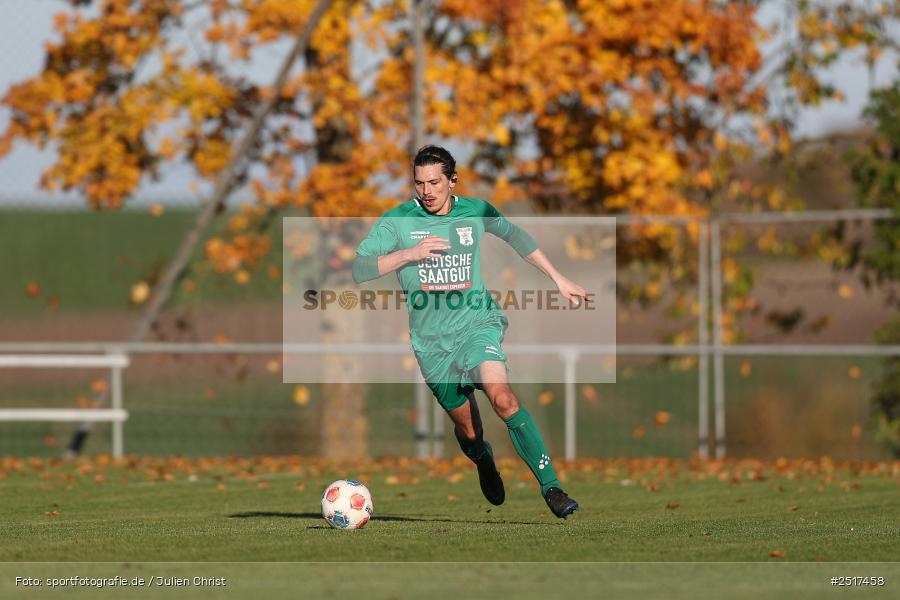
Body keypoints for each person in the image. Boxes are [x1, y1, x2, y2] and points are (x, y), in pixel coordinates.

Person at [352, 145, 586, 518]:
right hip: (432, 346)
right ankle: (483, 459)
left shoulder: (475, 210)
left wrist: (559, 278)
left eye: (434, 182)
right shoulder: (397, 221)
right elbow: (360, 268)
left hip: (477, 326)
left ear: (452, 181)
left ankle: (552, 488)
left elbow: (516, 237)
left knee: (504, 400)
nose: (426, 191)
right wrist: (409, 254)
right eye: (419, 183)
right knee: (472, 434)